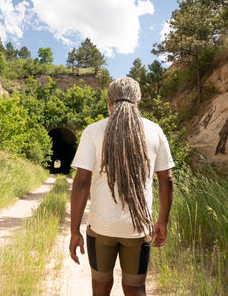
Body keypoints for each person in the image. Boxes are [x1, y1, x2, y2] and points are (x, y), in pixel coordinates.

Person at [69, 77, 174, 296]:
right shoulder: (154, 131)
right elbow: (166, 179)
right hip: (137, 229)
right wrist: (162, 220)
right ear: (139, 102)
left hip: (101, 228)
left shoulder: (93, 131)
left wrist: (74, 230)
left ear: (109, 103)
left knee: (100, 288)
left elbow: (81, 183)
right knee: (135, 289)